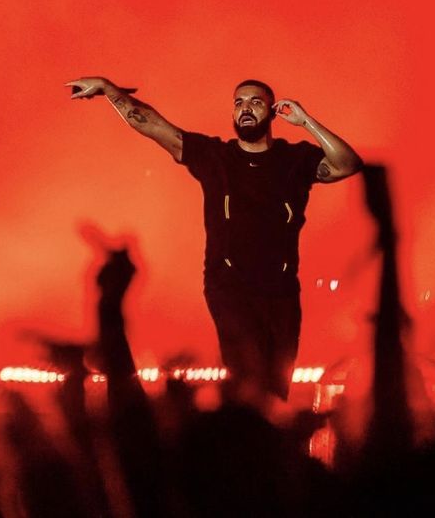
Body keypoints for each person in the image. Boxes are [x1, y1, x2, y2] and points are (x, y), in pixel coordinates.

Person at [66, 76, 361, 401]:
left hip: (282, 293)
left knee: (277, 390)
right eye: (238, 103)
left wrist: (306, 122)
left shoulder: (295, 160)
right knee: (248, 379)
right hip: (230, 287)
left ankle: (265, 447)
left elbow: (347, 164)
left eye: (255, 102)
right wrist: (110, 90)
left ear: (274, 112)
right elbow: (152, 124)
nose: (245, 108)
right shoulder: (216, 158)